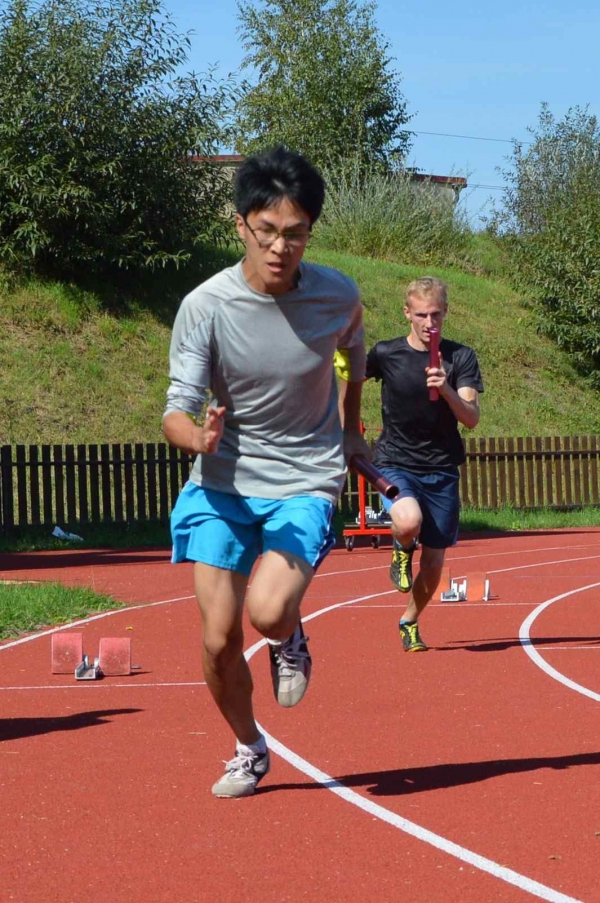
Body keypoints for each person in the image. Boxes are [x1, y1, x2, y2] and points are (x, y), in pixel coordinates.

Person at [162, 146, 369, 798]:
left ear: (311, 230)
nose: (281, 246)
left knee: (269, 608)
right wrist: (197, 435)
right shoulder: (207, 305)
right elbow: (175, 410)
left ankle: (289, 634)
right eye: (267, 231)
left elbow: (355, 346)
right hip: (220, 483)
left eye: (296, 232)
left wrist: (353, 423)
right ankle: (249, 747)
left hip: (305, 475)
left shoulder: (337, 294)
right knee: (219, 638)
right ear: (241, 226)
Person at [365, 276, 483, 652]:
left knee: (433, 564)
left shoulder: (460, 357)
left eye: (435, 314)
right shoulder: (386, 354)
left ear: (445, 312)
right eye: (421, 315)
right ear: (407, 313)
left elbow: (471, 418)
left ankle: (409, 621)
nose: (429, 322)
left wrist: (446, 388)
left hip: (442, 467)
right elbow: (348, 377)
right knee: (407, 519)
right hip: (395, 459)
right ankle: (401, 548)